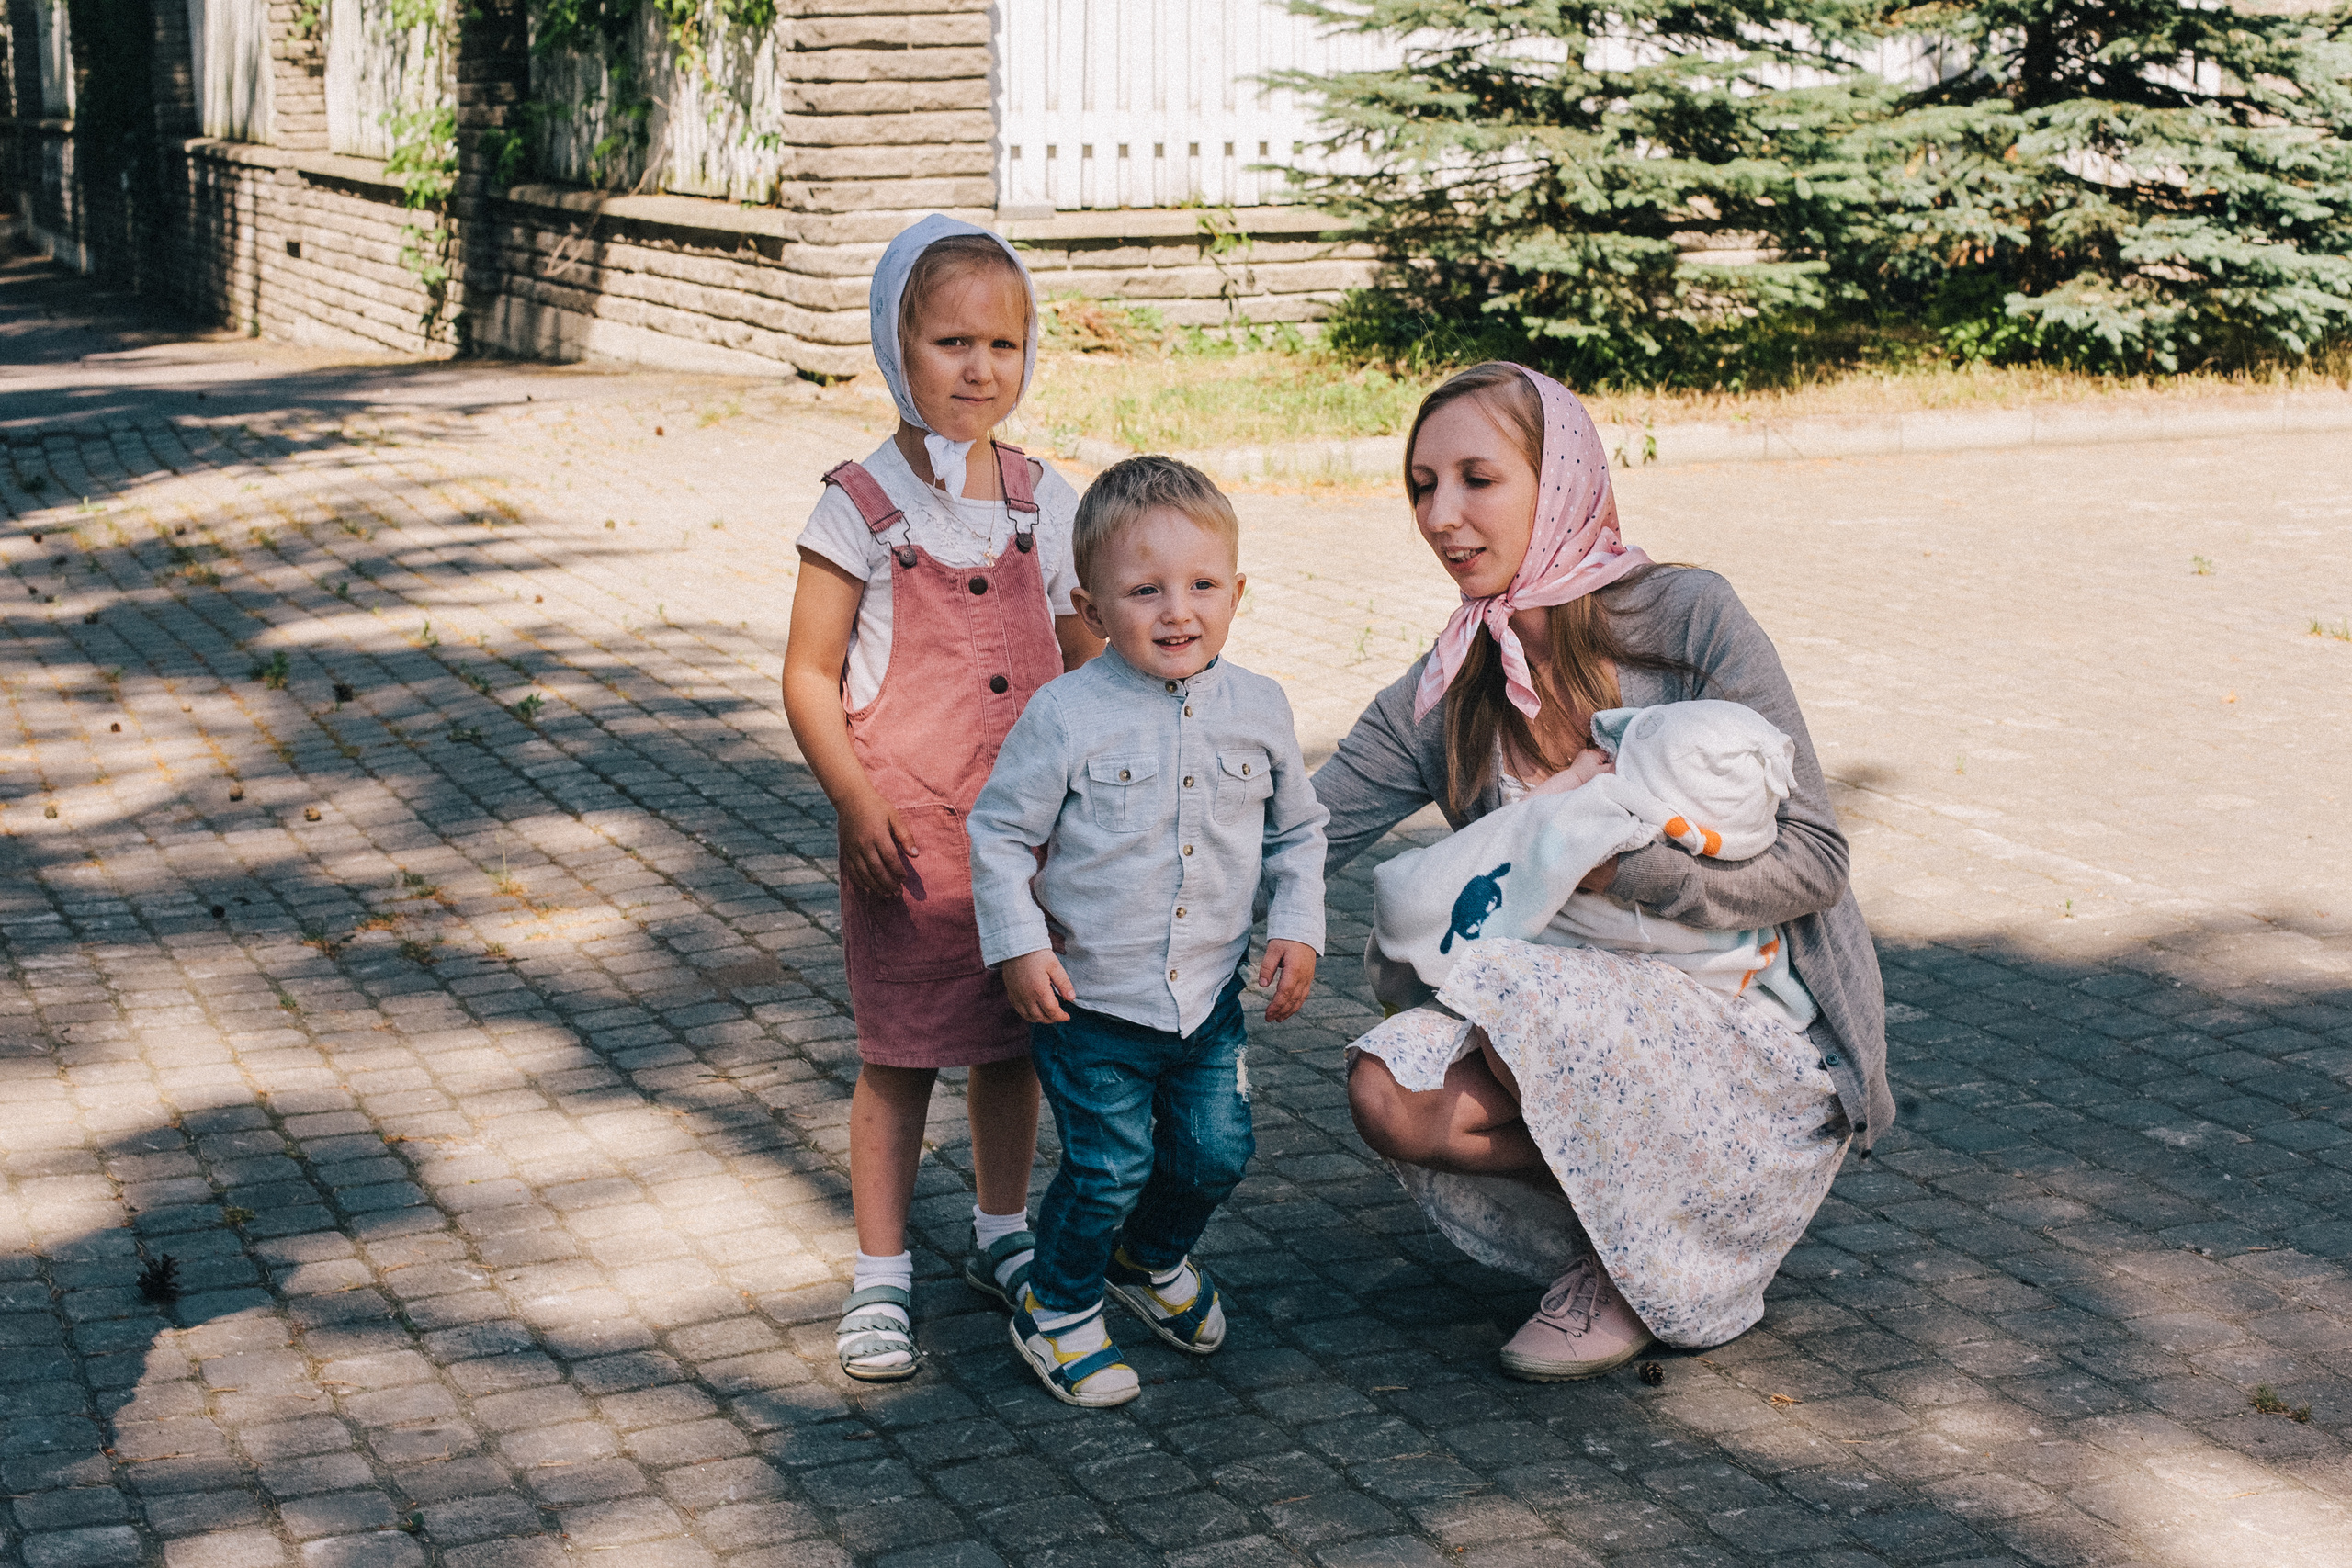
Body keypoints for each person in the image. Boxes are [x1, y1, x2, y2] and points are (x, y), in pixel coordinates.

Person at [1313, 362, 1893, 1382]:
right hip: (1567, 1012)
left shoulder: (1687, 618)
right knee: (1388, 1092)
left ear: (1560, 480)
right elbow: (1299, 832)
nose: (1442, 515)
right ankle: (1634, 1240)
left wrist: (1617, 871)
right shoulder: (1454, 681)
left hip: (1747, 1031)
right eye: (1420, 484)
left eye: (1476, 479)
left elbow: (1817, 860)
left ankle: (1649, 1259)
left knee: (1498, 983)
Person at [780, 215, 1101, 1382]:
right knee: (902, 1052)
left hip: (1026, 838)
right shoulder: (859, 505)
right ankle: (878, 1275)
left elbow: (1082, 651)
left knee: (1014, 1040)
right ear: (894, 345)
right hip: (905, 836)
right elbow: (809, 672)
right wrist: (854, 802)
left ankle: (1003, 1234)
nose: (980, 370)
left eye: (1004, 345)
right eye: (952, 342)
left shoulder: (1039, 497)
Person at [967, 456, 1329, 1407]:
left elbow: (1298, 828)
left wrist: (1296, 924)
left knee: (1216, 1152)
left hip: (1205, 1001)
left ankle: (1147, 1257)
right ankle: (1058, 1306)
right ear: (1089, 607)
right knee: (1107, 1166)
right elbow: (999, 832)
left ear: (1237, 591)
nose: (1178, 611)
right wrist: (1018, 944)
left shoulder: (1260, 708)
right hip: (1088, 1002)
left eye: (1202, 585)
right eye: (1144, 590)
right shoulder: (1068, 715)